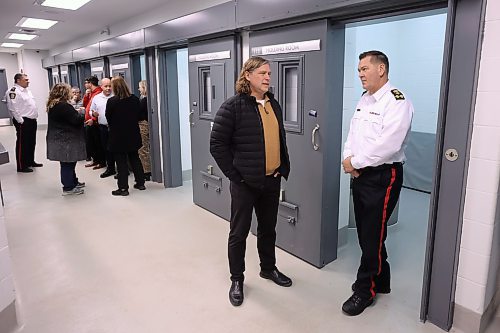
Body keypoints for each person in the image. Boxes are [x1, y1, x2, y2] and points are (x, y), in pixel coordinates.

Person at [210, 56, 292, 307]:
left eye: (269, 73)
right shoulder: (232, 107)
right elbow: (217, 145)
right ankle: (237, 279)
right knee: (239, 233)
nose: (268, 77)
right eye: (262, 73)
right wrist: (235, 176)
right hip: (245, 183)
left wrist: (281, 168)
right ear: (248, 76)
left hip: (271, 180)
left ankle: (268, 268)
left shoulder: (273, 104)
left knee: (268, 229)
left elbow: (278, 138)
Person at [341, 50, 414, 316]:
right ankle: (381, 279)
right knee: (366, 232)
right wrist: (349, 158)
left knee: (372, 235)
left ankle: (365, 290)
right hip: (361, 172)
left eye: (364, 69)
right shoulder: (366, 99)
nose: (360, 74)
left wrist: (355, 163)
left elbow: (389, 145)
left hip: (383, 175)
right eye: (359, 70)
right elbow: (353, 134)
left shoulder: (397, 102)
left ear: (381, 69)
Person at [106, 76, 145, 196]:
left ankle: (123, 188)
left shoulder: (112, 101)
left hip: (118, 136)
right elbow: (139, 115)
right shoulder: (134, 99)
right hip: (133, 134)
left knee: (121, 162)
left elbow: (108, 117)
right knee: (135, 158)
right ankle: (140, 183)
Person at [46, 83, 86, 196]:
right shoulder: (63, 106)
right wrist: (82, 113)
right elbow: (76, 120)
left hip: (59, 138)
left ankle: (73, 182)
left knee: (69, 162)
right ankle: (68, 187)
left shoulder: (53, 104)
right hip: (65, 140)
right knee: (67, 163)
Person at [5, 73, 43, 172]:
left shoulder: (27, 91)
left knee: (31, 142)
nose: (28, 81)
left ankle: (30, 161)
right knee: (23, 143)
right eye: (25, 80)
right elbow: (12, 108)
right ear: (18, 80)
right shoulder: (13, 92)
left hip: (32, 120)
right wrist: (20, 121)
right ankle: (21, 166)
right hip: (23, 121)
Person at [89, 78, 115, 178]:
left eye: (110, 86)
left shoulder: (115, 96)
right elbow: (91, 110)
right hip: (103, 127)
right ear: (101, 87)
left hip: (115, 128)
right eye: (106, 86)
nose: (108, 88)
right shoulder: (97, 98)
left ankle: (122, 168)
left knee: (117, 148)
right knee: (106, 148)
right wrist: (93, 114)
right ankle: (110, 168)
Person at [83, 76, 105, 169]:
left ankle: (101, 161)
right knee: (91, 143)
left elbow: (99, 110)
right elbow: (86, 105)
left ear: (90, 84)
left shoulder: (98, 93)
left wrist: (93, 119)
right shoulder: (91, 93)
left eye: (86, 83)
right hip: (89, 122)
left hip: (95, 123)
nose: (85, 85)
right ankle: (95, 160)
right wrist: (86, 95)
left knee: (97, 144)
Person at [138, 80, 151, 181]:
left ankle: (146, 171)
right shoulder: (148, 100)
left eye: (140, 87)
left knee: (143, 149)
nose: (139, 89)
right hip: (146, 125)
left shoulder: (144, 101)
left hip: (143, 126)